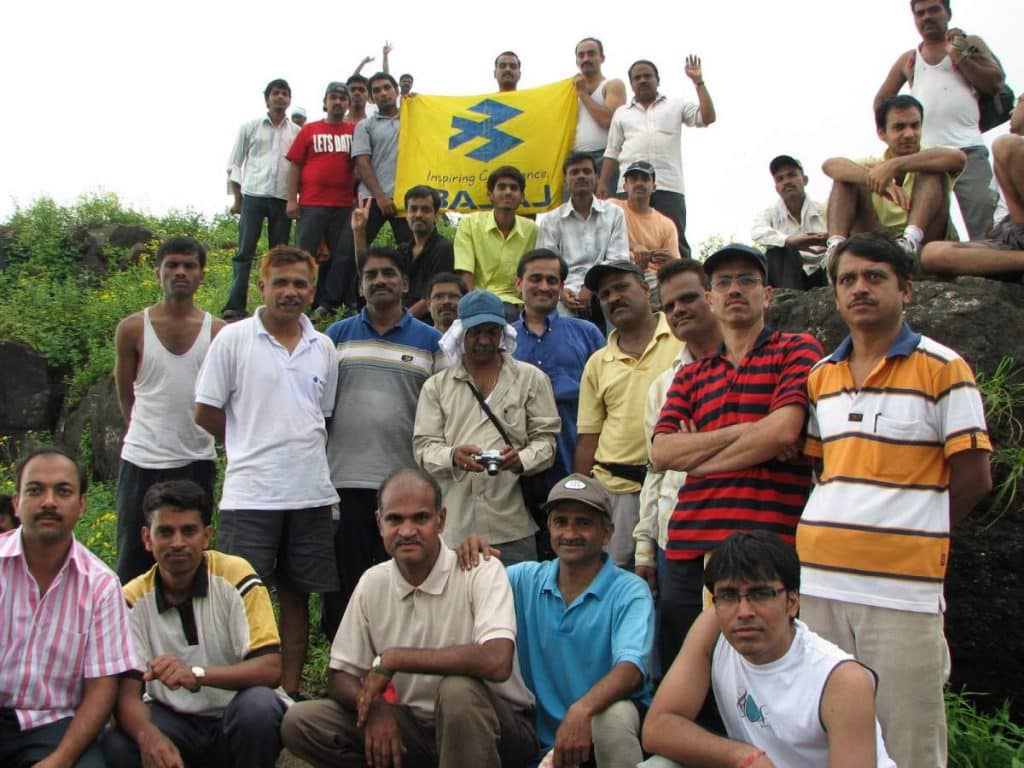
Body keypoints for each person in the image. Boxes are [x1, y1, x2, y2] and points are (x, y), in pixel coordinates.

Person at [798, 231, 992, 768]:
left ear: (906, 290)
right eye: (847, 280)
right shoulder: (821, 377)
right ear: (835, 294)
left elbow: (974, 478)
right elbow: (824, 470)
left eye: (874, 277)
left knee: (908, 741)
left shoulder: (943, 368)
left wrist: (913, 532)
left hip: (901, 592)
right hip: (820, 583)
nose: (859, 289)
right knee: (828, 730)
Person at [280, 468, 539, 768]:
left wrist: (396, 659)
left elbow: (497, 661)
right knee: (302, 722)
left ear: (441, 520)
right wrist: (375, 708)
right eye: (395, 519)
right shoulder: (373, 582)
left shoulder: (479, 570)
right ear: (379, 523)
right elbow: (341, 675)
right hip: (413, 727)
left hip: (495, 727)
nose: (407, 531)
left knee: (457, 691)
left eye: (420, 518)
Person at [650, 244, 823, 669]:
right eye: (723, 282)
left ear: (767, 294)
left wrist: (701, 454)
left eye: (746, 280)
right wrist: (749, 432)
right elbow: (662, 451)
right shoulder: (690, 374)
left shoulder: (796, 350)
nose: (734, 290)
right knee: (691, 668)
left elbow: (783, 430)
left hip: (767, 540)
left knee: (764, 667)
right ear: (711, 298)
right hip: (689, 543)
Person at [194, 245, 339, 700]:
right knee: (241, 597)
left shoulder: (325, 346)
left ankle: (288, 693)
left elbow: (325, 414)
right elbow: (205, 410)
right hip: (249, 495)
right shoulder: (233, 339)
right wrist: (246, 443)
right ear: (262, 286)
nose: (290, 292)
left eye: (300, 283)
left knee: (298, 596)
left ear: (312, 290)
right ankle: (243, 694)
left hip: (310, 493)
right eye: (281, 282)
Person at [640, 531, 896, 768]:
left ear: (792, 602)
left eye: (760, 594)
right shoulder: (713, 629)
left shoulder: (840, 679)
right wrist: (743, 756)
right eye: (728, 596)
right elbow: (657, 727)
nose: (744, 612)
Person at [459, 473, 654, 768]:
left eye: (584, 523)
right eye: (561, 521)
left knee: (616, 717)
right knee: (460, 692)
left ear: (607, 532)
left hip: (597, 736)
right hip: (533, 737)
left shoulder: (629, 590)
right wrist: (467, 555)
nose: (570, 532)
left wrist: (582, 711)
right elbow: (460, 589)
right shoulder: (524, 579)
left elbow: (631, 670)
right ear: (549, 527)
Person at [101, 480, 286, 768]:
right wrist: (148, 736)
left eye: (188, 531)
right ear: (147, 538)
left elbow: (270, 668)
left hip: (232, 714)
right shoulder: (131, 599)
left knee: (259, 708)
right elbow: (127, 695)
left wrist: (198, 675)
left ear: (206, 536)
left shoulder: (235, 575)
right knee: (119, 743)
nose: (177, 542)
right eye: (165, 531)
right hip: (173, 720)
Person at [320, 245, 443, 638]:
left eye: (389, 273)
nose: (380, 281)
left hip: (405, 492)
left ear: (406, 283)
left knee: (403, 587)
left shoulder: (431, 342)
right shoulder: (335, 338)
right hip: (344, 485)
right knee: (343, 588)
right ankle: (342, 677)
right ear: (360, 284)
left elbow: (444, 412)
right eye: (370, 275)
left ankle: (399, 673)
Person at [0, 448, 140, 768]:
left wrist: (59, 761)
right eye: (35, 490)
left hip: (56, 724)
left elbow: (102, 689)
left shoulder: (101, 585)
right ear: (16, 504)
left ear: (81, 506)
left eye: (63, 491)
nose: (49, 501)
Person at [414, 290, 559, 564]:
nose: (484, 340)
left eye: (492, 332)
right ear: (461, 333)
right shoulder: (436, 386)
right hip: (456, 526)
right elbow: (423, 449)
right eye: (475, 332)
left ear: (502, 333)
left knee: (515, 601)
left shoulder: (531, 379)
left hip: (513, 523)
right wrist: (452, 456)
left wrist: (521, 460)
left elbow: (547, 442)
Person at [114, 236, 222, 583]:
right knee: (133, 557)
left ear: (201, 274)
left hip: (196, 460)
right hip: (142, 460)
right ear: (157, 271)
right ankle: (127, 635)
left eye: (189, 265)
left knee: (190, 562)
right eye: (172, 265)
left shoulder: (218, 332)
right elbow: (127, 396)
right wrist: (146, 433)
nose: (180, 272)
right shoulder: (132, 329)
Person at [634, 259, 722, 665]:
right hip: (675, 541)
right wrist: (645, 549)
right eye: (669, 306)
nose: (679, 310)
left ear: (711, 297)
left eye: (689, 298)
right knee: (683, 657)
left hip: (734, 535)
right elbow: (658, 468)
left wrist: (694, 448)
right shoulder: (664, 385)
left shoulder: (751, 366)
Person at [576, 261, 681, 569]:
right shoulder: (597, 361)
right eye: (605, 294)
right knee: (615, 581)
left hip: (671, 484)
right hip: (616, 491)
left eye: (622, 287)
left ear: (646, 289)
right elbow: (588, 437)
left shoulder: (681, 339)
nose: (613, 298)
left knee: (671, 578)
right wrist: (583, 497)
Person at [874, 0, 1006, 239]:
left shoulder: (969, 43)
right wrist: (890, 131)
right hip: (925, 157)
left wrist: (960, 55)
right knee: (930, 224)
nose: (927, 17)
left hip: (968, 150)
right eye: (920, 13)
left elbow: (994, 82)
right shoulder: (910, 59)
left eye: (934, 10)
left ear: (948, 13)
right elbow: (882, 99)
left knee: (986, 225)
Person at [822, 94, 965, 262]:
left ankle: (910, 241)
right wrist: (877, 181)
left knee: (930, 168)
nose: (909, 134)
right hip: (880, 242)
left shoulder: (932, 156)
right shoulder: (873, 164)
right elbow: (830, 165)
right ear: (882, 133)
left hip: (926, 244)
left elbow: (958, 158)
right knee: (846, 180)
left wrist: (895, 165)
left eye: (915, 126)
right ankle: (835, 251)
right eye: (899, 127)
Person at [600, 58, 716, 258]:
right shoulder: (621, 113)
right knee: (622, 243)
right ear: (632, 83)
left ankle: (684, 287)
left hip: (668, 185)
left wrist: (698, 82)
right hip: (628, 187)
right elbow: (612, 151)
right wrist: (602, 183)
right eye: (637, 77)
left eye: (647, 76)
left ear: (658, 80)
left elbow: (707, 118)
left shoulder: (676, 105)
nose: (643, 80)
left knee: (675, 243)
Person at [317, 72, 412, 315]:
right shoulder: (365, 125)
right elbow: (362, 161)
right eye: (377, 90)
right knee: (349, 250)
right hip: (371, 196)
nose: (382, 93)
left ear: (396, 90)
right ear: (371, 97)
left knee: (411, 250)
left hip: (405, 200)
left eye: (386, 88)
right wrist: (380, 195)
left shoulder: (413, 118)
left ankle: (411, 303)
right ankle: (333, 303)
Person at [512, 249, 606, 484]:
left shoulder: (587, 333)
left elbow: (608, 395)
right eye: (535, 278)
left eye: (552, 280)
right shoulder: (502, 338)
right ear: (518, 283)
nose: (544, 286)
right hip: (517, 464)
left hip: (577, 456)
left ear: (562, 287)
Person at [922, 94, 1024, 277]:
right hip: (1010, 239)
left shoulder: (1010, 150)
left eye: (1019, 103)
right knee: (932, 254)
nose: (1012, 111)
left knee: (1005, 145)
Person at [223, 78, 300, 320]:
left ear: (290, 100)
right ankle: (234, 306)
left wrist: (295, 200)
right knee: (244, 252)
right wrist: (237, 199)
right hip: (253, 197)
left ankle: (276, 305)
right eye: (276, 93)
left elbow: (300, 167)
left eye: (285, 94)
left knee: (279, 256)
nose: (280, 97)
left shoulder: (297, 132)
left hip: (282, 199)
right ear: (267, 98)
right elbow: (234, 164)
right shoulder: (250, 127)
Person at [285, 81, 356, 311]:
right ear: (325, 102)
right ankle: (297, 301)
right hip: (311, 203)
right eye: (333, 97)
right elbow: (295, 165)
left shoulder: (354, 131)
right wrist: (291, 200)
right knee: (304, 256)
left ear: (348, 104)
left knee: (340, 257)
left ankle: (327, 304)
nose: (337, 101)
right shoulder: (309, 130)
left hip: (344, 205)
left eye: (342, 98)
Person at [538, 152, 629, 317]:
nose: (581, 176)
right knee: (560, 319)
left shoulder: (614, 213)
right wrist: (561, 291)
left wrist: (590, 286)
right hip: (566, 291)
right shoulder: (551, 220)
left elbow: (618, 260)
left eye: (586, 172)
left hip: (606, 285)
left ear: (596, 177)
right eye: (574, 172)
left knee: (619, 310)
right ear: (565, 180)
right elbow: (546, 265)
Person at [352, 186, 455, 322]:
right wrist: (359, 232)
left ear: (436, 215)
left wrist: (400, 321)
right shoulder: (403, 250)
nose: (418, 214)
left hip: (425, 325)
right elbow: (367, 270)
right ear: (406, 215)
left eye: (425, 209)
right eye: (413, 209)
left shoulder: (443, 248)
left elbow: (433, 296)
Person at [454, 166, 539, 322]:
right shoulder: (470, 224)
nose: (508, 192)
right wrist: (474, 305)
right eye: (501, 187)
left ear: (522, 196)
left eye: (514, 188)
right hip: (478, 299)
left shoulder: (532, 230)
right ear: (490, 195)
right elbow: (465, 271)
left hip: (516, 303)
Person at [751, 155, 828, 290]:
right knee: (777, 250)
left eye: (792, 175)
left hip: (822, 272)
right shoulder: (769, 214)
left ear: (805, 180)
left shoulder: (824, 210)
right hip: (786, 277)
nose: (786, 182)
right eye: (780, 179)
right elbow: (757, 232)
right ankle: (789, 302)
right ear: (776, 187)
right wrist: (790, 241)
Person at [605, 160, 681, 295]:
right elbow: (599, 238)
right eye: (634, 179)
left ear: (654, 187)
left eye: (645, 179)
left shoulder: (666, 224)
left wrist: (670, 261)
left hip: (653, 280)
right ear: (625, 186)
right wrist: (635, 247)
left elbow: (677, 267)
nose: (639, 183)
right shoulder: (612, 207)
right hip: (617, 271)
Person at [572, 37, 627, 187]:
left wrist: (583, 94)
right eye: (581, 55)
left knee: (607, 208)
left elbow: (607, 120)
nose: (586, 58)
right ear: (576, 61)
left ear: (601, 58)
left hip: (605, 158)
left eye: (591, 54)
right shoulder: (569, 90)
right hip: (574, 159)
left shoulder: (612, 85)